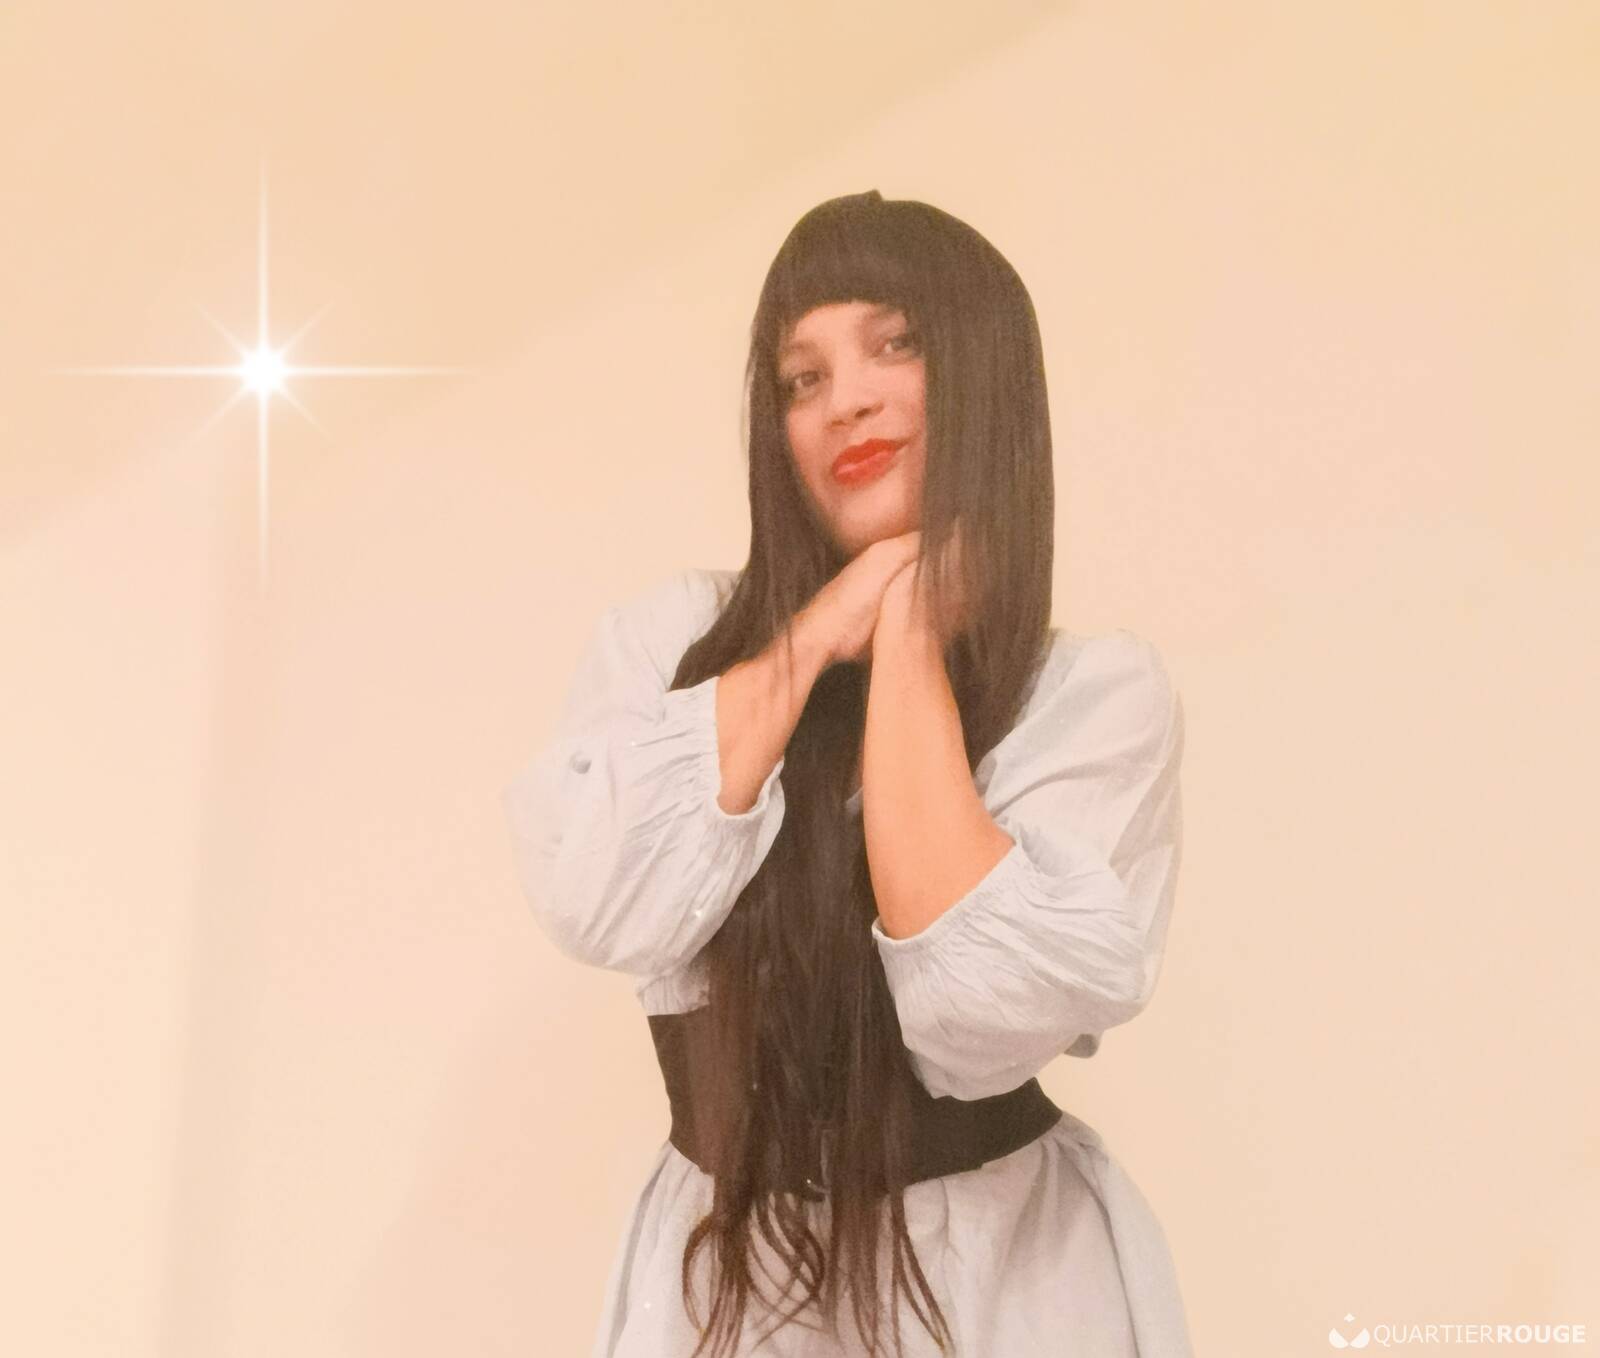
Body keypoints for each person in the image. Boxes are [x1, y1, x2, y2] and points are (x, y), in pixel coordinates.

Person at [501, 191, 1192, 1357]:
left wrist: (911, 624)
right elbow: (595, 895)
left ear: (983, 373)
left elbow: (981, 1012)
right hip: (723, 1290)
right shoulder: (673, 643)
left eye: (895, 343)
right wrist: (823, 625)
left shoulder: (1088, 694)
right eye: (801, 377)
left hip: (1003, 1286)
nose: (845, 401)